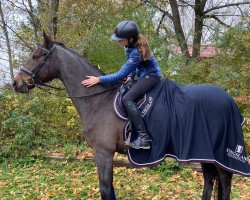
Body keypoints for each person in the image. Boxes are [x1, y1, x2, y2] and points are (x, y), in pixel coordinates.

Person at [82, 20, 162, 149]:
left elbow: (120, 74)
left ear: (130, 39)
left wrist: (99, 79)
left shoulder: (135, 52)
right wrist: (130, 76)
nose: (118, 42)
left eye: (120, 40)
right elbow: (134, 67)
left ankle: (143, 138)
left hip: (151, 77)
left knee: (127, 98)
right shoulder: (129, 47)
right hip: (142, 75)